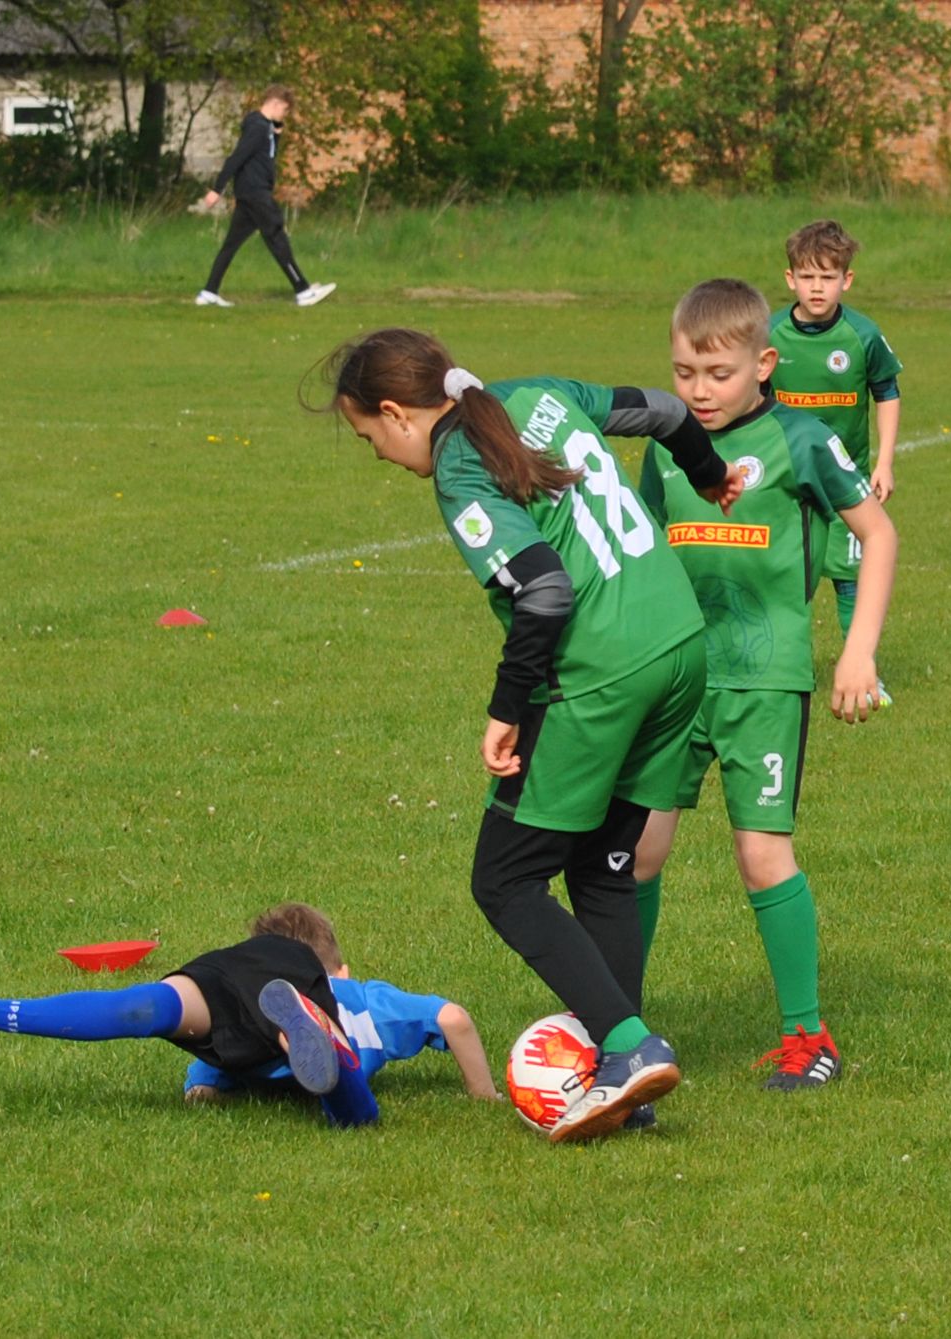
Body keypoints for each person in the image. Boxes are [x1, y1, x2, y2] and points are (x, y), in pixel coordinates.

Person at [318, 327, 744, 1141]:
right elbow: (660, 411)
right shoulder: (535, 393)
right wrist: (709, 472)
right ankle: (627, 1078)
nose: (376, 455)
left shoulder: (460, 467)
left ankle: (628, 1042)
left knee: (505, 878)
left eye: (369, 436)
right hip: (677, 641)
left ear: (398, 412)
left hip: (604, 669)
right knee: (605, 867)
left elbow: (544, 593)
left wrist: (508, 707)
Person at [632, 279, 897, 1091]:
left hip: (765, 677)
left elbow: (878, 536)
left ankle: (806, 1036)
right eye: (684, 373)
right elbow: (641, 555)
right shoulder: (665, 445)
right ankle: (621, 1028)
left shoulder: (802, 439)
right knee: (635, 853)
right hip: (677, 675)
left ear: (763, 363)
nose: (698, 391)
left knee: (760, 853)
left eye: (716, 373)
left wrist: (858, 653)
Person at [0, 903, 495, 1127]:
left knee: (147, 1006)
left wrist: (207, 1090)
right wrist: (482, 1095)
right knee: (352, 1108)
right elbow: (454, 1019)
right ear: (340, 970)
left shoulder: (257, 957)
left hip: (225, 974)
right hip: (306, 1000)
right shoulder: (369, 995)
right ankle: (323, 1045)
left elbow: (203, 1093)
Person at [768, 219, 903, 701]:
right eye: (807, 277)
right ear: (791, 280)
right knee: (786, 579)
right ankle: (781, 670)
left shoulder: (862, 336)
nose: (817, 287)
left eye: (828, 277)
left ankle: (862, 671)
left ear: (847, 280)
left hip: (847, 482)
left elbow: (886, 392)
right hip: (786, 482)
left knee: (851, 578)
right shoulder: (770, 336)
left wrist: (884, 463)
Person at [194, 84, 335, 309]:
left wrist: (277, 133)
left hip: (252, 194)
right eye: (285, 110)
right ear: (275, 103)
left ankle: (209, 292)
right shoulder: (257, 127)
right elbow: (237, 158)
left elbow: (267, 156)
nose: (285, 115)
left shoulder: (266, 128)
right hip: (255, 192)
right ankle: (303, 290)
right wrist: (217, 189)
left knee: (231, 244)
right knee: (277, 237)